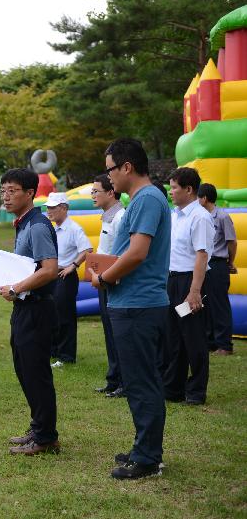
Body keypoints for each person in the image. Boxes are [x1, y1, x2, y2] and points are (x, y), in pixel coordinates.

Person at [91, 138, 170, 480]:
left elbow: (137, 253)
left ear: (126, 167)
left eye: (110, 169)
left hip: (138, 303)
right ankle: (144, 447)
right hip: (130, 301)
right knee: (137, 380)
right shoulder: (141, 200)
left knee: (141, 382)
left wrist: (105, 278)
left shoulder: (148, 198)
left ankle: (148, 458)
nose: (109, 178)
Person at [0, 168, 61, 455]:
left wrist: (17, 287)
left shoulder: (37, 225)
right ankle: (38, 427)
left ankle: (46, 437)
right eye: (3, 191)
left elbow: (49, 269)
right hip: (24, 305)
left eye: (12, 190)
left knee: (36, 372)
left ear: (30, 193)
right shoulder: (22, 224)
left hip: (37, 307)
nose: (6, 196)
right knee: (24, 369)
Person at [164, 167, 214, 405]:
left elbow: (201, 256)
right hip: (173, 279)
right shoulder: (175, 215)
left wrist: (194, 292)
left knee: (193, 337)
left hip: (191, 281)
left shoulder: (200, 217)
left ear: (189, 189)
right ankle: (173, 388)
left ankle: (196, 391)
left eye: (174, 187)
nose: (171, 192)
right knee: (174, 336)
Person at [45, 192, 92, 367]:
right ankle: (54, 350)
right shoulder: (52, 228)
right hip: (51, 275)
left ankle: (66, 356)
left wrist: (73, 266)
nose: (49, 211)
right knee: (52, 313)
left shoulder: (74, 228)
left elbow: (87, 249)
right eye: (48, 207)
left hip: (66, 275)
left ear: (64, 208)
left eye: (53, 208)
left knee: (65, 316)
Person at [91, 174, 126, 397]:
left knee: (118, 334)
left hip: (115, 283)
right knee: (109, 332)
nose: (93, 195)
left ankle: (124, 381)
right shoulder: (107, 216)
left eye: (96, 191)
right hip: (103, 281)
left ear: (111, 192)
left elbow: (122, 253)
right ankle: (113, 378)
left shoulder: (121, 217)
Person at [198, 183, 237, 356]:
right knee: (205, 302)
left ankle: (224, 344)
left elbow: (232, 242)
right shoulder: (201, 216)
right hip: (203, 263)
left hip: (218, 263)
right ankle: (210, 341)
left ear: (205, 199)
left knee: (219, 304)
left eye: (199, 197)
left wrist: (231, 262)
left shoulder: (222, 217)